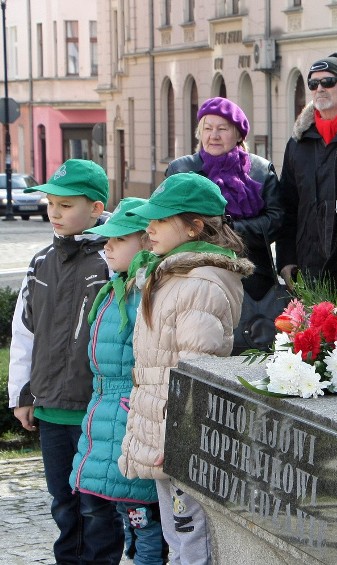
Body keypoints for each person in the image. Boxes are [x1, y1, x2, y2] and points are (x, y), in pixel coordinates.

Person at [118, 173, 253, 564]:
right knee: (177, 538)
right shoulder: (169, 275)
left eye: (161, 220)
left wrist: (180, 440)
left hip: (179, 439)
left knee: (192, 540)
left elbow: (198, 371)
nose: (149, 228)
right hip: (164, 433)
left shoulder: (200, 285)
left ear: (195, 225)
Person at [7, 159, 125, 564]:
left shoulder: (112, 262)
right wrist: (22, 394)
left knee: (97, 507)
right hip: (53, 408)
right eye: (51, 204)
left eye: (66, 205)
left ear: (95, 208)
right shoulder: (41, 262)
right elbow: (24, 333)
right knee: (63, 503)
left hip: (96, 408)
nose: (55, 213)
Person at [70, 197, 167, 565]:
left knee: (146, 525)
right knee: (128, 521)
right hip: (107, 416)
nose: (106, 246)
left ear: (145, 241)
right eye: (105, 239)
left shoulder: (146, 293)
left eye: (118, 239)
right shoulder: (118, 289)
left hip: (132, 419)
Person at [166, 97, 280, 337]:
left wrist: (230, 228)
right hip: (194, 274)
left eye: (222, 129)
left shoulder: (261, 170)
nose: (213, 135)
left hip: (251, 278)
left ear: (238, 135)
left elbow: (277, 220)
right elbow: (166, 220)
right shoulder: (181, 170)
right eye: (207, 128)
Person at [276, 53, 337, 288]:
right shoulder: (298, 142)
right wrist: (286, 259)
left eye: (328, 82)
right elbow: (287, 205)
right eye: (313, 83)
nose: (320, 88)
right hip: (307, 268)